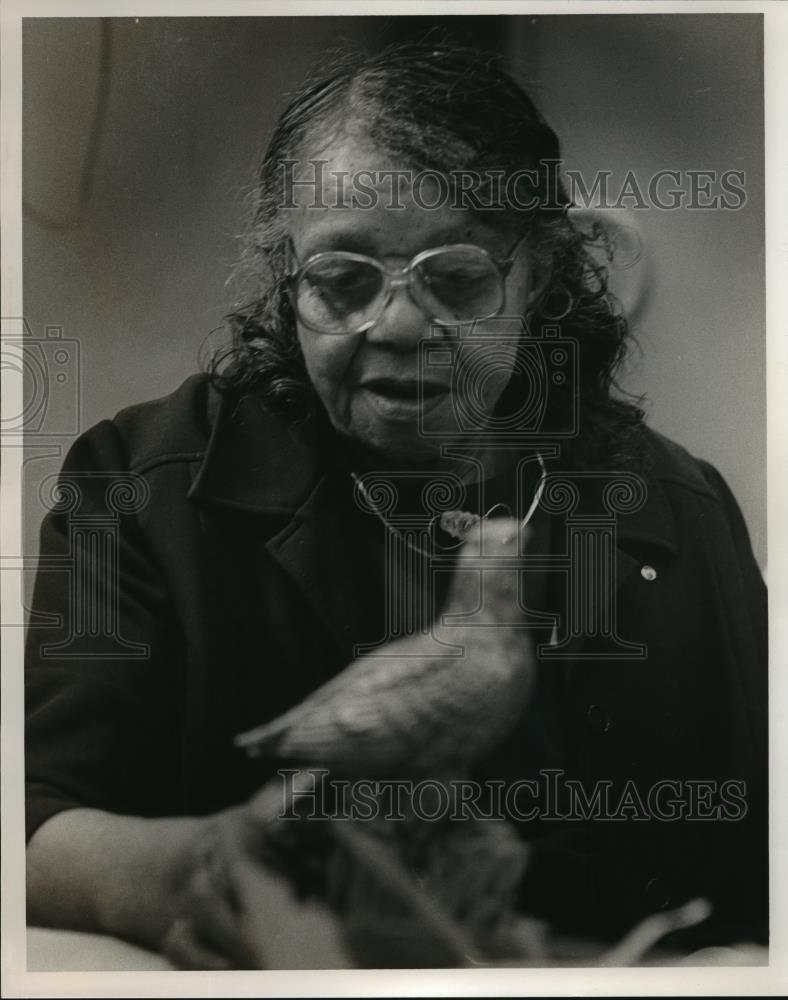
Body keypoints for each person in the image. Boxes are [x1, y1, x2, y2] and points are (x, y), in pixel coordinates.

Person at [25, 43, 767, 968]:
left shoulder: (680, 516)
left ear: (535, 272)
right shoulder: (132, 489)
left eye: (456, 281)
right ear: (284, 273)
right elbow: (35, 827)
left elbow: (755, 890)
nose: (400, 325)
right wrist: (190, 872)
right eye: (342, 283)